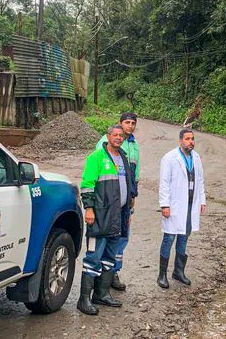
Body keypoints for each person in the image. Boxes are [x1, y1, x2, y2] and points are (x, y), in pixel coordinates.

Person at [77, 125, 133, 315]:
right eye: (115, 135)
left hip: (118, 217)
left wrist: (128, 212)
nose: (118, 138)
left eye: (120, 136)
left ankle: (101, 294)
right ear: (108, 137)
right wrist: (89, 209)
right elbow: (86, 185)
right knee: (93, 257)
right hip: (100, 216)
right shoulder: (96, 158)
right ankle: (83, 299)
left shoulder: (123, 157)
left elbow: (129, 186)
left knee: (109, 258)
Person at [95, 112, 140, 291]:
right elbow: (96, 171)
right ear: (120, 124)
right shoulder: (104, 143)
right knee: (103, 238)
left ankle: (113, 272)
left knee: (122, 238)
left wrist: (133, 197)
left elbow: (134, 174)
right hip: (107, 201)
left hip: (125, 200)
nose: (130, 126)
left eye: (133, 123)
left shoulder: (134, 145)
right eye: (127, 123)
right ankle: (98, 275)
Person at [157, 129, 206, 289]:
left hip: (190, 205)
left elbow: (200, 180)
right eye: (187, 139)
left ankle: (178, 271)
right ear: (180, 141)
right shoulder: (170, 158)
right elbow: (164, 183)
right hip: (174, 205)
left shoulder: (196, 158)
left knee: (184, 238)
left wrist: (202, 200)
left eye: (192, 139)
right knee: (169, 238)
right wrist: (165, 204)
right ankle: (162, 275)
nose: (191, 141)